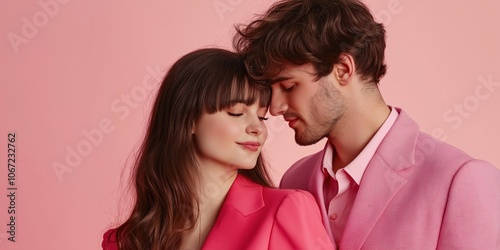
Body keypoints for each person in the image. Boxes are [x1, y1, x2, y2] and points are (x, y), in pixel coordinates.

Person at [234, 0, 500, 249]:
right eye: (272, 90)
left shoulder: (463, 181)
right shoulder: (295, 180)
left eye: (289, 86)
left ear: (343, 69)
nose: (276, 107)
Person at [101, 48, 334, 250]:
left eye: (262, 117)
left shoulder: (286, 210)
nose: (257, 129)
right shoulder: (126, 241)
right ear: (188, 119)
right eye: (236, 113)